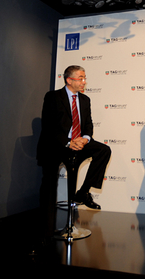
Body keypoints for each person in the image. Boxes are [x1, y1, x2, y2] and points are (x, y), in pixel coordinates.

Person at [37, 65, 112, 240]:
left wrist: (85, 139)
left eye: (85, 78)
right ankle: (46, 232)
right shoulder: (53, 97)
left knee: (104, 150)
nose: (84, 82)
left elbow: (88, 125)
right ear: (69, 80)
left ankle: (83, 192)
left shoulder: (85, 100)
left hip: (78, 143)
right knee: (49, 185)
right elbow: (49, 126)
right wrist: (68, 142)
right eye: (81, 78)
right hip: (57, 145)